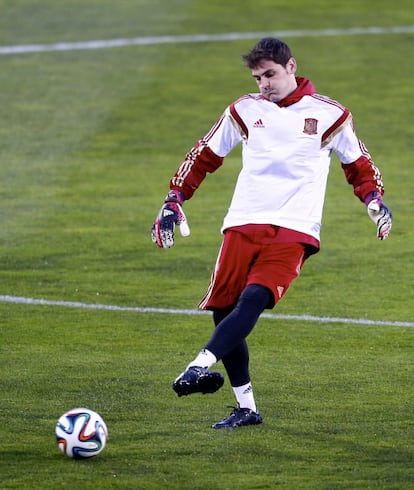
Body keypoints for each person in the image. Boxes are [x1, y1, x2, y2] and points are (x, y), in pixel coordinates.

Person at [151, 37, 392, 429]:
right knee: (224, 309)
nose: (264, 83)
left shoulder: (330, 114)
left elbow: (359, 164)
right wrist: (174, 197)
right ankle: (247, 409)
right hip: (243, 222)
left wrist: (374, 200)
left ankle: (196, 366)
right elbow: (204, 155)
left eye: (270, 74)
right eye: (257, 76)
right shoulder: (244, 110)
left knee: (253, 299)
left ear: (291, 67)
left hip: (294, 229)